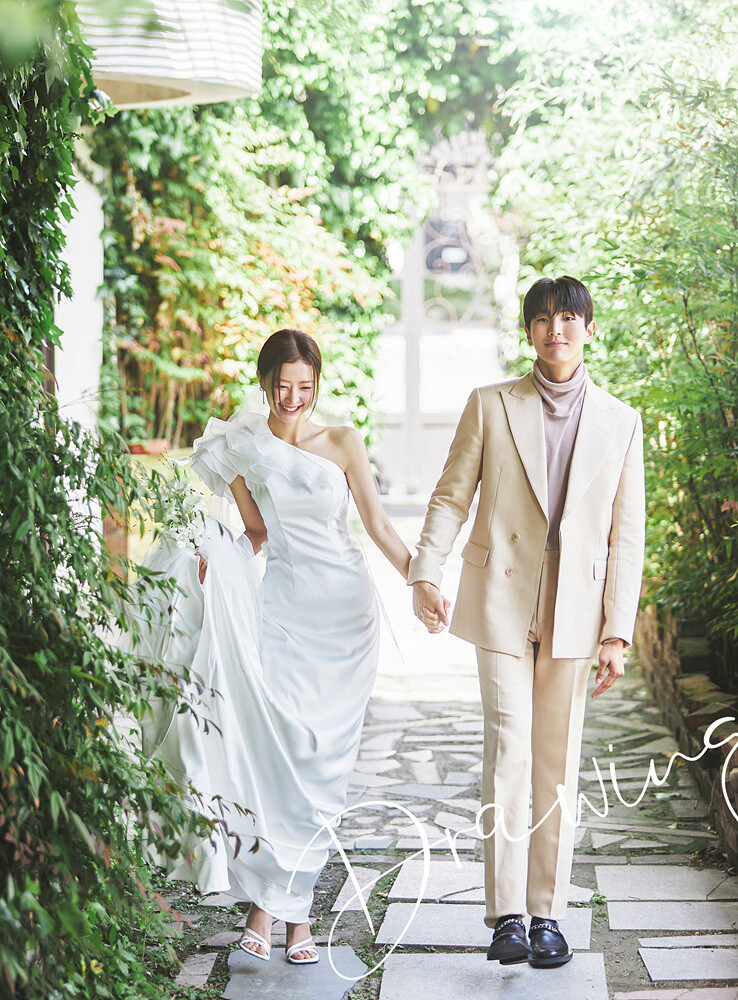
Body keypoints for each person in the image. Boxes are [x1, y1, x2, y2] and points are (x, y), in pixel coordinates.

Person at [146, 329, 412, 965]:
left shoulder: (343, 442)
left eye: (305, 387)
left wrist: (420, 579)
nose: (293, 398)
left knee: (323, 768)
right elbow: (255, 532)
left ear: (317, 385)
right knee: (281, 754)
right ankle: (271, 909)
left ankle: (293, 917)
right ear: (264, 382)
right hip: (283, 612)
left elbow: (376, 524)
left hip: (344, 617)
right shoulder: (242, 445)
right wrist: (215, 557)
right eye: (282, 386)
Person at [409, 276, 645, 968]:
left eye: (568, 318)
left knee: (557, 764)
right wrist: (426, 569)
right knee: (509, 750)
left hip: (576, 610)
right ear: (529, 331)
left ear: (589, 329)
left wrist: (617, 630)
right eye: (542, 319)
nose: (555, 330)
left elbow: (626, 536)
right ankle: (506, 915)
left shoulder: (621, 421)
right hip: (502, 600)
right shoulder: (490, 404)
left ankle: (548, 916)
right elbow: (451, 496)